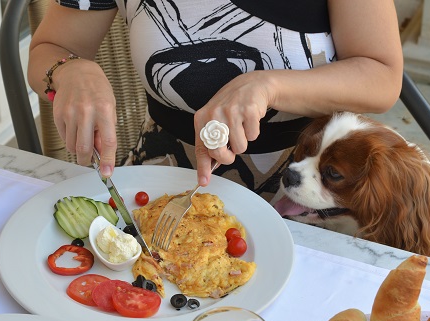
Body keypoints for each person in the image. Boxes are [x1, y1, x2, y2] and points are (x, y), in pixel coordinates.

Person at [27, 0, 403, 202]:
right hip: (163, 183)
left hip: (313, 191)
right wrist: (68, 69)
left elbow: (381, 76)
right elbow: (52, 48)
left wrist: (268, 85)